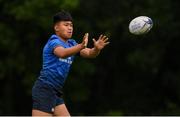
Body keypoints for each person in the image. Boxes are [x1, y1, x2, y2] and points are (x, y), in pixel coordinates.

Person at [32, 10, 109, 116]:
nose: (70, 28)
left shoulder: (71, 43)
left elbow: (90, 53)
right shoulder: (53, 41)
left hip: (55, 91)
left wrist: (96, 49)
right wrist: (81, 46)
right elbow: (62, 53)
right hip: (45, 89)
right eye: (66, 25)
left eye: (71, 25)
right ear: (56, 28)